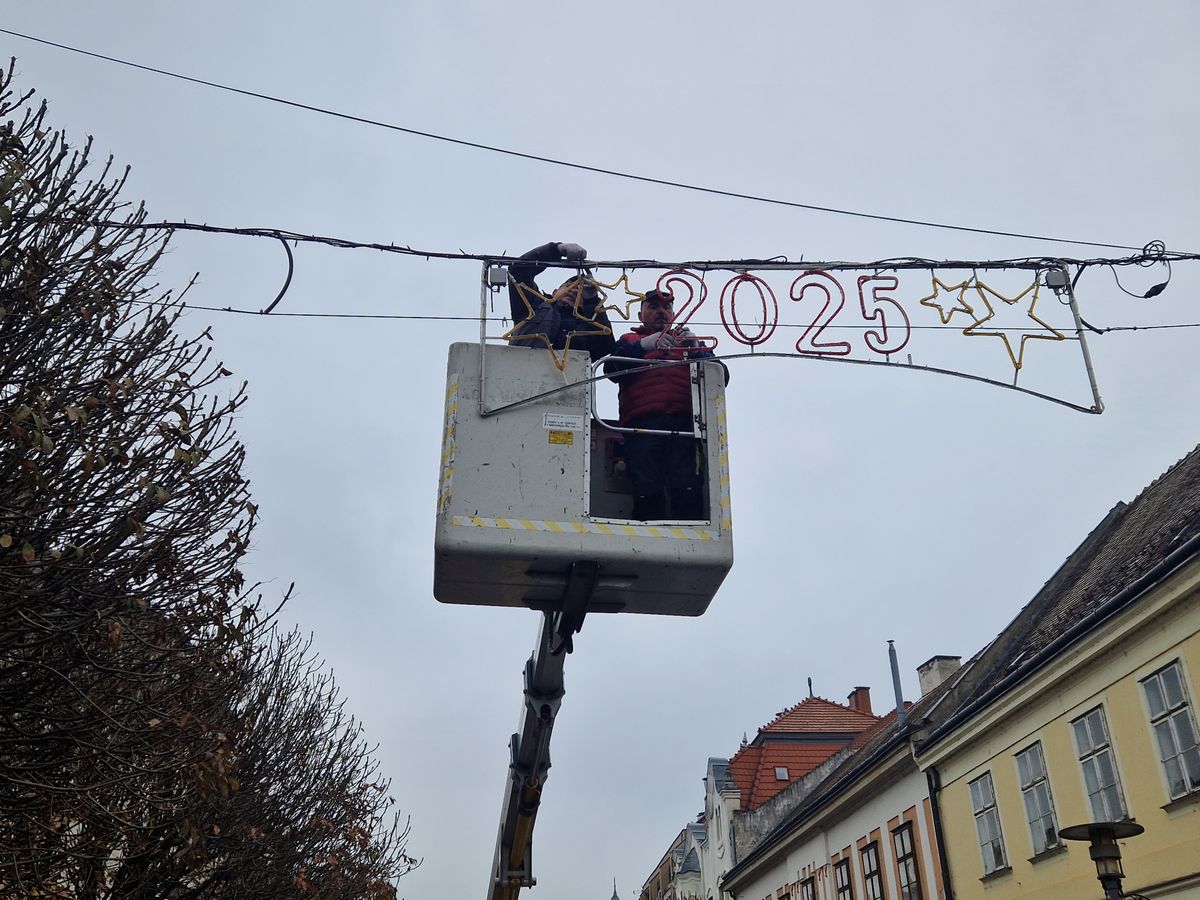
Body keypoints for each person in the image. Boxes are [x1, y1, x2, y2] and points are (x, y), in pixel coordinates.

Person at [604, 289, 729, 521]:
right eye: (653, 307)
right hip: (643, 425)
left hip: (684, 424)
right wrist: (642, 346)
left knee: (687, 485)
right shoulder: (629, 341)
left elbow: (721, 377)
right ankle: (647, 534)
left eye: (666, 308)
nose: (661, 312)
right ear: (641, 314)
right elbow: (611, 370)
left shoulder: (689, 343)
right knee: (646, 486)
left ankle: (689, 538)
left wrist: (698, 350)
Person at [506, 241, 615, 362]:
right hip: (521, 372)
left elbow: (605, 345)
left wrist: (593, 300)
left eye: (580, 292)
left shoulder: (588, 326)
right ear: (554, 292)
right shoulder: (534, 306)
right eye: (568, 286)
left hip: (570, 380)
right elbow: (518, 272)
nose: (573, 290)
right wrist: (555, 250)